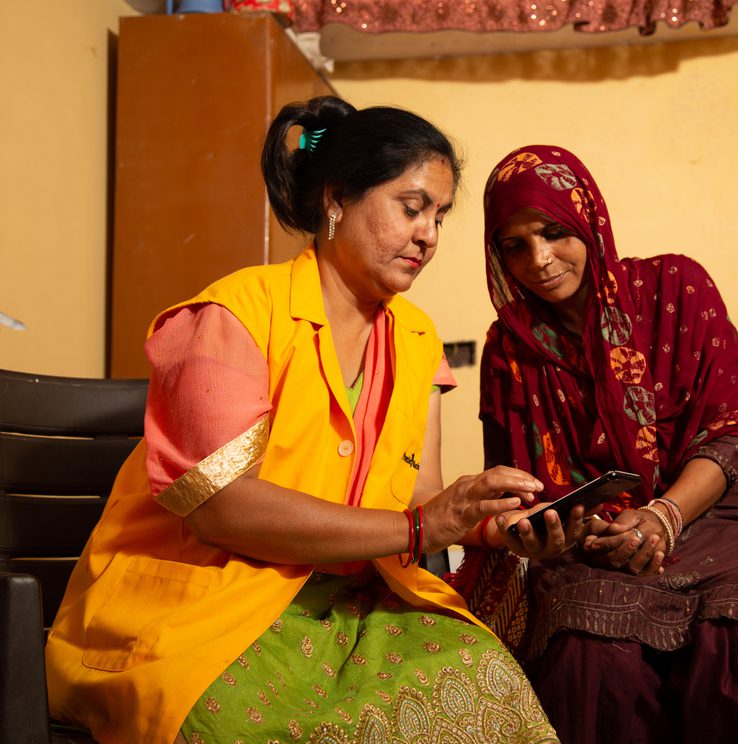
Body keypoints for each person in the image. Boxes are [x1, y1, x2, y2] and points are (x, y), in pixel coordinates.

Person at [45, 98, 560, 744]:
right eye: (411, 207)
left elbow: (417, 494)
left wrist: (490, 523)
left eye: (439, 215)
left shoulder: (417, 340)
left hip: (349, 606)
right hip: (203, 609)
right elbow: (220, 509)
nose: (429, 235)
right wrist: (422, 525)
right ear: (337, 199)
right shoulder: (232, 316)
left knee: (488, 682)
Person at [454, 144, 738, 743]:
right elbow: (519, 485)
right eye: (514, 245)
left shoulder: (675, 288)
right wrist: (549, 530)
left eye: (554, 232)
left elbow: (726, 427)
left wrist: (664, 516)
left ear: (588, 220)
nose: (538, 260)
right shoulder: (509, 349)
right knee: (591, 656)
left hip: (709, 509)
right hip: (592, 539)